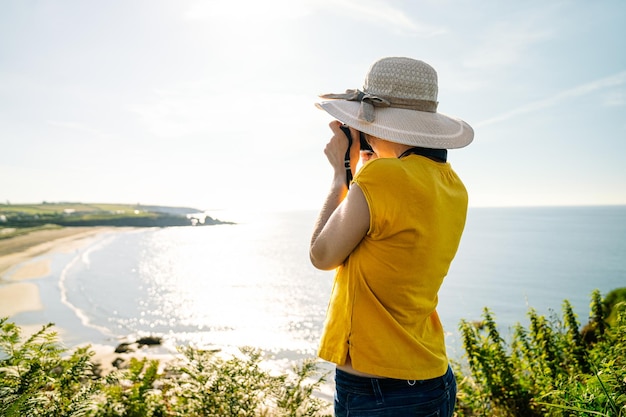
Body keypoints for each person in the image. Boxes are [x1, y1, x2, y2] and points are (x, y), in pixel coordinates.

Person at [309, 57, 474, 416]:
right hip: (431, 379)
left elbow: (321, 255)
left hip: (379, 392)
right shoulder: (451, 185)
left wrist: (341, 173)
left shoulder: (383, 177)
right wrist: (363, 166)